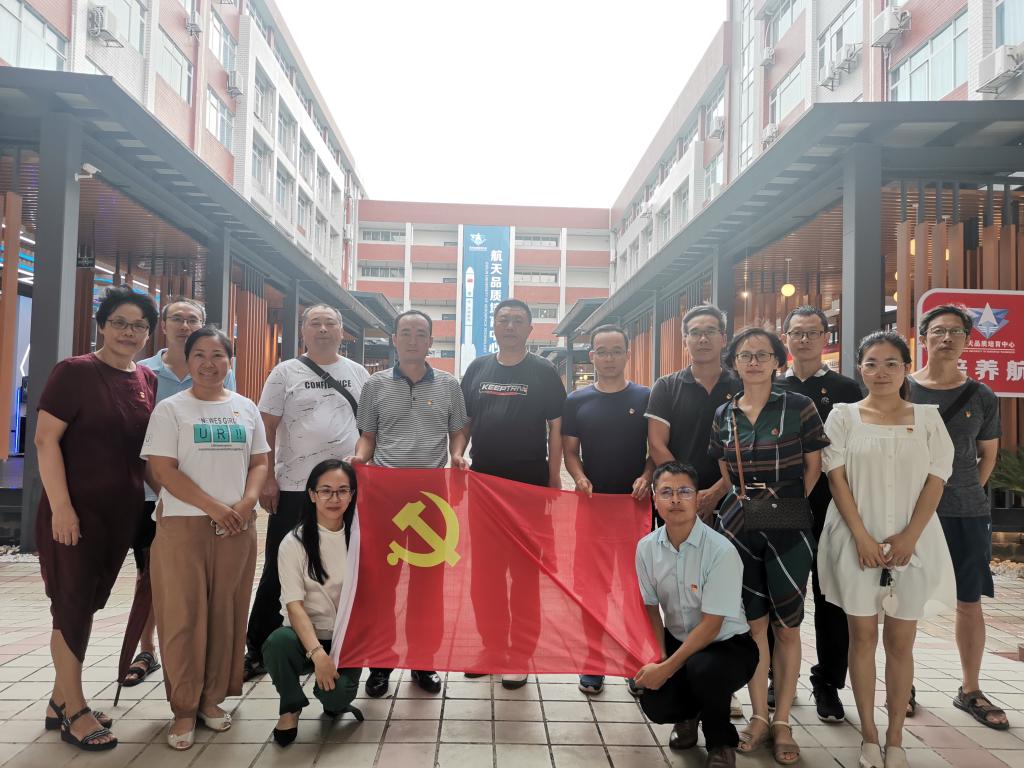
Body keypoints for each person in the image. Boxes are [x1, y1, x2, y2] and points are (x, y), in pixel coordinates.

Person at [818, 331, 955, 768]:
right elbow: (836, 479)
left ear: (905, 368)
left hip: (913, 543)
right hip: (854, 539)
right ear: (859, 368)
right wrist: (861, 537)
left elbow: (937, 478)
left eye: (891, 363)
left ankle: (895, 736)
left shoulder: (928, 418)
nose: (881, 372)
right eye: (872, 363)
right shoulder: (843, 417)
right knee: (861, 638)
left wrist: (910, 536)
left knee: (901, 642)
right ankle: (869, 735)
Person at [34, 287, 158, 752]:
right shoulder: (74, 372)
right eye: (120, 322)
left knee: (86, 603)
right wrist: (62, 507)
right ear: (102, 325)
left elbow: (143, 454)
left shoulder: (146, 378)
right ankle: (76, 710)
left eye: (139, 325)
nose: (129, 332)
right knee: (70, 604)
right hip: (76, 512)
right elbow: (46, 441)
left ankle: (58, 699)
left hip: (121, 513)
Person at [142, 327, 270, 750]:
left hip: (237, 526)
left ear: (230, 361)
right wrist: (214, 507)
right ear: (187, 359)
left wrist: (247, 503)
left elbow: (259, 463)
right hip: (184, 526)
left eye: (218, 355)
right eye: (199, 354)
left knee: (226, 613)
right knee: (182, 617)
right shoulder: (171, 409)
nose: (209, 363)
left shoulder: (245, 407)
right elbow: (162, 469)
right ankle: (183, 708)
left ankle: (212, 699)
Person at [709, 327, 827, 765]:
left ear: (778, 361)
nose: (754, 362)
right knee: (753, 624)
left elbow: (814, 466)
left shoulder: (799, 406)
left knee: (788, 626)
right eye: (745, 355)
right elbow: (725, 469)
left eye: (762, 354)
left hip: (787, 516)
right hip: (738, 520)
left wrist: (784, 505)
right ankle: (758, 716)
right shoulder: (723, 412)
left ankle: (782, 721)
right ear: (734, 364)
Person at [345, 309, 469, 698]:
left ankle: (423, 661)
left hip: (432, 496)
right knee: (382, 583)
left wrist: (458, 454)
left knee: (427, 585)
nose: (413, 339)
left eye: (421, 333)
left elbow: (458, 430)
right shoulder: (375, 385)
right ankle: (380, 664)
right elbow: (368, 436)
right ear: (394, 339)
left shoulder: (449, 384)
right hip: (384, 495)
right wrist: (359, 457)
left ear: (431, 341)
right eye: (406, 332)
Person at [244, 304, 370, 680]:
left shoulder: (358, 373)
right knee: (277, 566)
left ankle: (341, 642)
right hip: (295, 486)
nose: (323, 329)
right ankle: (257, 647)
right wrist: (268, 478)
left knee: (346, 565)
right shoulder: (285, 372)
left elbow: (369, 428)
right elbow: (266, 428)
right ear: (303, 331)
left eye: (330, 323)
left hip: (345, 489)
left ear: (342, 331)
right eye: (315, 323)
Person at [123, 298, 237, 689]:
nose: (185, 325)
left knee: (196, 581)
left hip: (204, 501)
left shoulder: (217, 373)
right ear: (163, 325)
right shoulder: (141, 372)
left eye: (193, 319)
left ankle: (197, 657)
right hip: (150, 494)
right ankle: (147, 649)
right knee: (150, 576)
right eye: (178, 318)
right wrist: (165, 489)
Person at [908, 305, 1007, 729]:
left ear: (968, 339)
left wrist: (965, 491)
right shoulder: (904, 389)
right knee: (906, 601)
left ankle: (970, 688)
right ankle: (904, 684)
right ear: (923, 337)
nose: (946, 338)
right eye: (938, 331)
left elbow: (988, 455)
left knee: (969, 600)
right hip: (912, 512)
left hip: (966, 512)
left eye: (955, 331)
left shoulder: (982, 395)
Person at [460, 298, 567, 689]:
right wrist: (457, 453)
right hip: (484, 483)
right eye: (503, 319)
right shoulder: (477, 369)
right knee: (485, 572)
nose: (509, 326)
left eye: (517, 320)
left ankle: (520, 653)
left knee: (524, 573)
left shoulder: (543, 371)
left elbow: (556, 428)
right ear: (494, 325)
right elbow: (465, 421)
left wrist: (553, 479)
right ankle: (491, 648)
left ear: (529, 328)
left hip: (529, 484)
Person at [634, 462, 758, 768]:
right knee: (655, 701)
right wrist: (660, 655)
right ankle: (688, 716)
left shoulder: (720, 550)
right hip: (679, 640)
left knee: (704, 670)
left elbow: (712, 625)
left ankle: (721, 742)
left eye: (684, 491)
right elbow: (650, 606)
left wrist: (667, 669)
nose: (675, 499)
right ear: (654, 498)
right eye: (666, 492)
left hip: (728, 645)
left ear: (697, 497)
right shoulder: (646, 548)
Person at [776, 306, 862, 723]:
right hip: (778, 502)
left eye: (812, 332)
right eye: (797, 332)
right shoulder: (772, 385)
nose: (804, 339)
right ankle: (778, 677)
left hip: (832, 502)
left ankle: (827, 681)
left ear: (825, 337)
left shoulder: (846, 388)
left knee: (831, 597)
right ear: (786, 338)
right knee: (779, 591)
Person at [562, 323, 652, 695]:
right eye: (602, 351)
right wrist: (579, 477)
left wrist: (647, 475)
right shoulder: (576, 400)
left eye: (616, 350)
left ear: (627, 354)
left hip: (635, 508)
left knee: (635, 588)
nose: (609, 358)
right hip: (593, 508)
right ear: (592, 356)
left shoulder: (646, 397)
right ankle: (593, 662)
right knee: (592, 589)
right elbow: (569, 452)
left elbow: (656, 450)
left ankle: (634, 661)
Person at [263, 460, 364, 747]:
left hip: (346, 640)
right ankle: (290, 706)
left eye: (342, 491)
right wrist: (318, 655)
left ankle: (332, 699)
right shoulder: (293, 542)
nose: (334, 498)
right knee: (277, 643)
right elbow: (294, 606)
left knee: (335, 700)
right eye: (326, 491)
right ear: (312, 494)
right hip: (305, 637)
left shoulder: (361, 539)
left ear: (352, 495)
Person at [647, 304, 740, 523]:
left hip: (733, 500)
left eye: (710, 331)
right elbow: (657, 445)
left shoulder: (742, 386)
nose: (703, 339)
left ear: (723, 339)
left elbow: (750, 447)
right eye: (695, 333)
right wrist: (687, 492)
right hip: (678, 502)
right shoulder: (666, 386)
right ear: (685, 340)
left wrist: (717, 492)